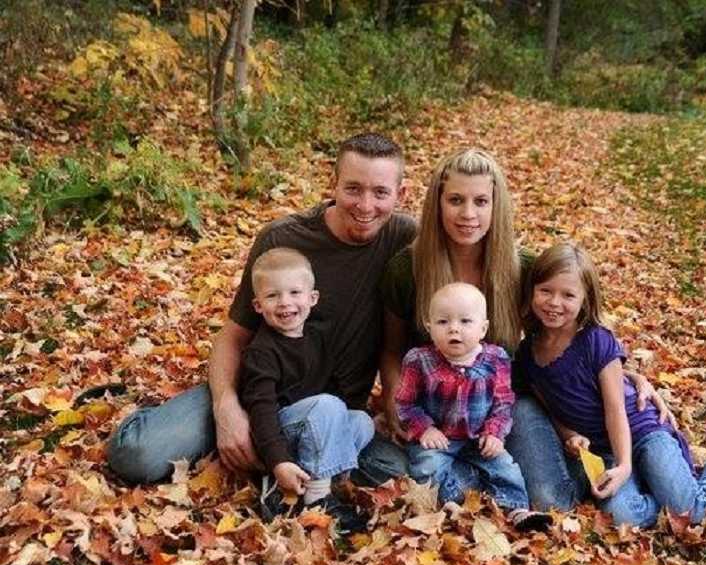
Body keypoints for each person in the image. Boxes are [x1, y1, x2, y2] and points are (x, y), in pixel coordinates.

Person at [107, 133, 420, 487]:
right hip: (259, 392)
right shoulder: (285, 238)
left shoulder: (405, 238)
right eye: (352, 189)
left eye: (380, 192)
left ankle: (282, 466)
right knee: (137, 456)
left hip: (333, 413)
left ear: (401, 194)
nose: (365, 205)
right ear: (333, 184)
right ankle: (157, 414)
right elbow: (233, 335)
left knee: (400, 473)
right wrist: (227, 410)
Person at [379, 148, 670, 511]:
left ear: (496, 206)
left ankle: (608, 468)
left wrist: (627, 376)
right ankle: (475, 481)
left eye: (481, 201)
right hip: (436, 413)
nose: (468, 213)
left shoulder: (523, 268)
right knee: (387, 468)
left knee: (549, 501)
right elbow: (391, 350)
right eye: (455, 200)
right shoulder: (407, 269)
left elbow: (578, 329)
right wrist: (394, 403)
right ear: (437, 203)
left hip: (506, 404)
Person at [517, 242, 706, 527]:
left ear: (585, 299)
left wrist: (624, 466)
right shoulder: (528, 354)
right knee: (621, 515)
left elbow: (615, 409)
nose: (554, 303)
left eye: (568, 295)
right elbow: (549, 408)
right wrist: (570, 434)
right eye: (545, 291)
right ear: (532, 290)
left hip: (644, 432)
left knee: (693, 512)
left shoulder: (596, 341)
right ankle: (661, 490)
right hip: (604, 450)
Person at [396, 283, 552, 531]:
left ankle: (515, 508)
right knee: (427, 467)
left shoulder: (495, 358)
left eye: (465, 321)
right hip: (440, 438)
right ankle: (450, 506)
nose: (454, 328)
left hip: (478, 438)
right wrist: (425, 429)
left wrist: (494, 433)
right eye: (443, 322)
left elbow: (503, 402)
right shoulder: (418, 360)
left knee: (505, 466)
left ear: (483, 328)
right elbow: (405, 403)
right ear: (429, 327)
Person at [240, 247, 371, 530]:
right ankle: (316, 500)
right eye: (273, 295)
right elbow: (261, 410)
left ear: (312, 299)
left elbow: (334, 387)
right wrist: (277, 460)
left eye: (294, 293)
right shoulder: (261, 352)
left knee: (361, 421)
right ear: (258, 305)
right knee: (327, 405)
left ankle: (308, 485)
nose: (285, 303)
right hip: (283, 431)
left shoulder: (318, 337)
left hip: (317, 425)